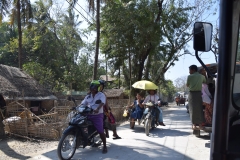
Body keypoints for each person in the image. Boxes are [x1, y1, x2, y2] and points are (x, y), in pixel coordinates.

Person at [81, 80, 107, 154]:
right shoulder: (88, 96)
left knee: (100, 131)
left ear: (98, 88)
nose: (93, 89)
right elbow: (83, 103)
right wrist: (77, 107)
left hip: (97, 115)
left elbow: (102, 102)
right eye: (92, 87)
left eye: (95, 87)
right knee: (81, 124)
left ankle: (105, 146)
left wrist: (97, 109)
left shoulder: (101, 95)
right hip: (88, 114)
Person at [186, 65, 206, 130]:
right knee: (200, 109)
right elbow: (205, 82)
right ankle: (200, 125)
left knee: (192, 109)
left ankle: (194, 125)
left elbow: (187, 85)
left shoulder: (189, 77)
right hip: (199, 94)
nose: (189, 72)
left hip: (192, 94)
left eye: (190, 70)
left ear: (193, 70)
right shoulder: (202, 76)